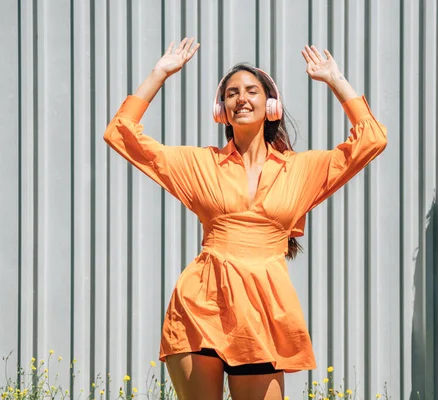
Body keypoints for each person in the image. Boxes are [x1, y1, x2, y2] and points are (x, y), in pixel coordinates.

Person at [103, 38, 387, 400]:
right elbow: (121, 132)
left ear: (271, 104)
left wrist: (336, 79)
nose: (241, 98)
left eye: (251, 91)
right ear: (221, 109)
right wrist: (159, 73)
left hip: (263, 312)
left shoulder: (301, 170)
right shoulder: (199, 164)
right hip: (201, 304)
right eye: (232, 93)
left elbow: (372, 139)